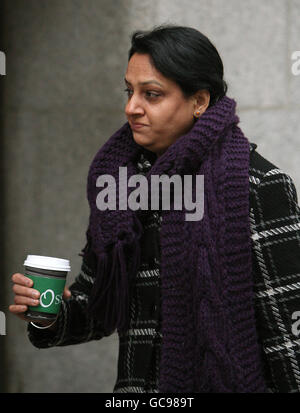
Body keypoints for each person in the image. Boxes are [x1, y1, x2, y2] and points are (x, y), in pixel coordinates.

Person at [9, 25, 300, 393]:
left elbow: (288, 338)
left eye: (152, 94)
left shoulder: (256, 185)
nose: (131, 107)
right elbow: (97, 308)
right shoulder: (122, 183)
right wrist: (49, 314)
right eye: (130, 91)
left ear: (199, 102)